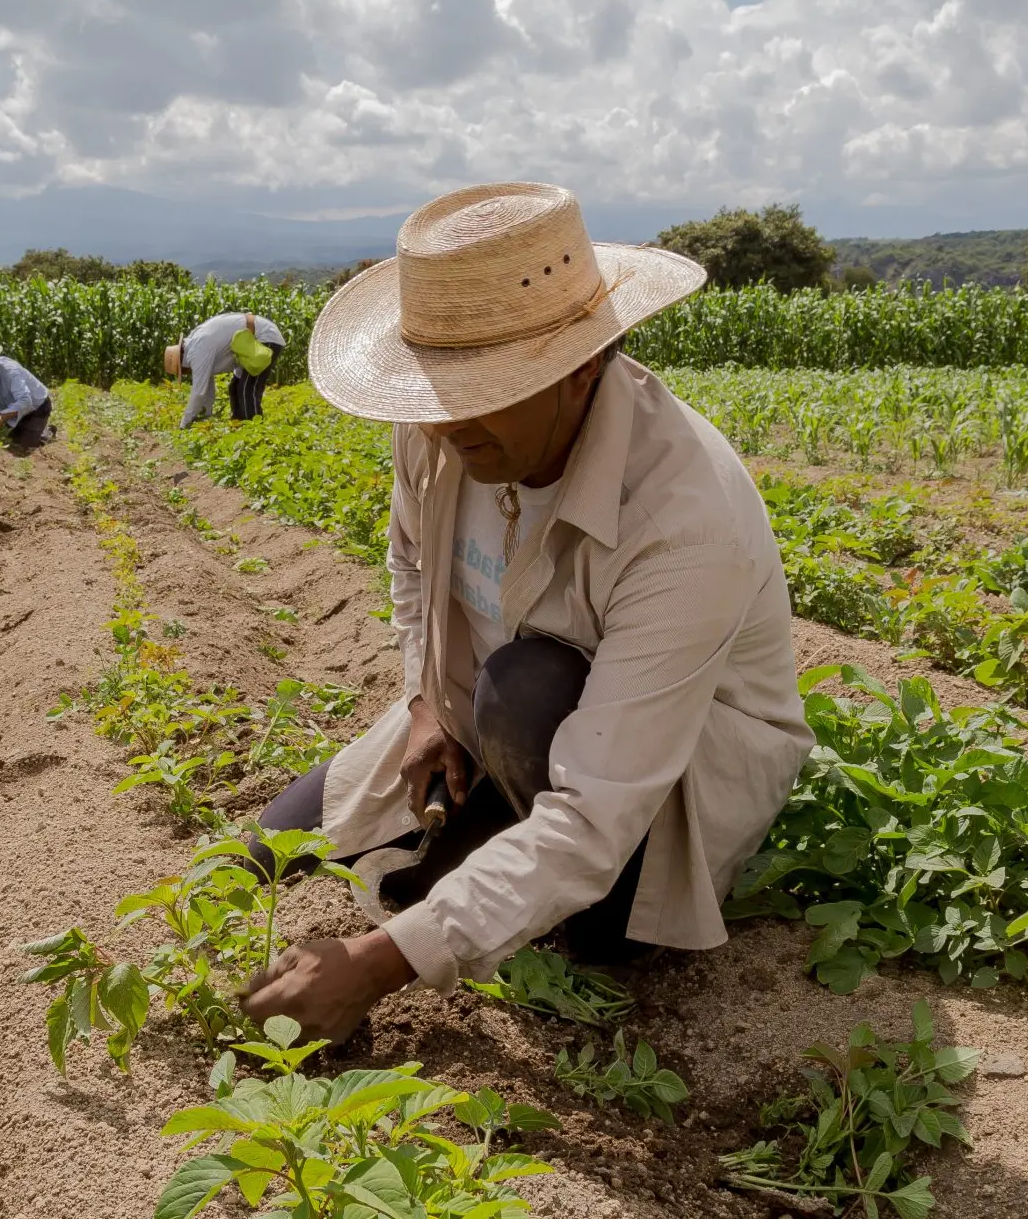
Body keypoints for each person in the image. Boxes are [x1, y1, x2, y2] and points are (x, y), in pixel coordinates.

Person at [240, 182, 814, 1045]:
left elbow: (592, 817)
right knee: (266, 852)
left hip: (652, 784)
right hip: (485, 721)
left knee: (524, 688)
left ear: (581, 365)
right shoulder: (438, 430)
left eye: (481, 388)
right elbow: (407, 561)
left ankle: (581, 916)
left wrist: (377, 963)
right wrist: (426, 698)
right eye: (435, 389)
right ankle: (485, 831)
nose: (443, 421)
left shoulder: (684, 521)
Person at [164, 311, 285, 428]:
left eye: (183, 371)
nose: (187, 373)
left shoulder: (197, 352)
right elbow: (207, 388)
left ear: (182, 361)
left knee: (247, 388)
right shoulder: (195, 345)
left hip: (265, 337)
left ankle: (255, 431)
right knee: (234, 387)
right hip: (247, 346)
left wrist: (184, 423)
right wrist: (207, 413)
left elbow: (199, 392)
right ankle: (239, 427)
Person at [0, 343, 54, 450]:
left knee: (25, 446)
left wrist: (2, 416)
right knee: (12, 441)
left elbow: (25, 400)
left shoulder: (10, 371)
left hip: (37, 407)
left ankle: (48, 432)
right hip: (14, 413)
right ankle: (32, 429)